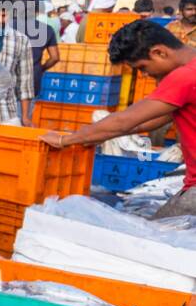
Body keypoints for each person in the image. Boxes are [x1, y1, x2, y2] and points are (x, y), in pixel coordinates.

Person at [44, 20, 196, 217]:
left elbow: (124, 121)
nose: (145, 74)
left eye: (142, 67)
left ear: (159, 52)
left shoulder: (185, 76)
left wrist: (66, 139)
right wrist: (100, 135)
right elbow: (157, 118)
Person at [15, 0, 59, 96]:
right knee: (25, 112)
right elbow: (55, 57)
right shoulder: (47, 30)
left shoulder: (7, 26)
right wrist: (41, 68)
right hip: (32, 78)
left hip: (7, 78)